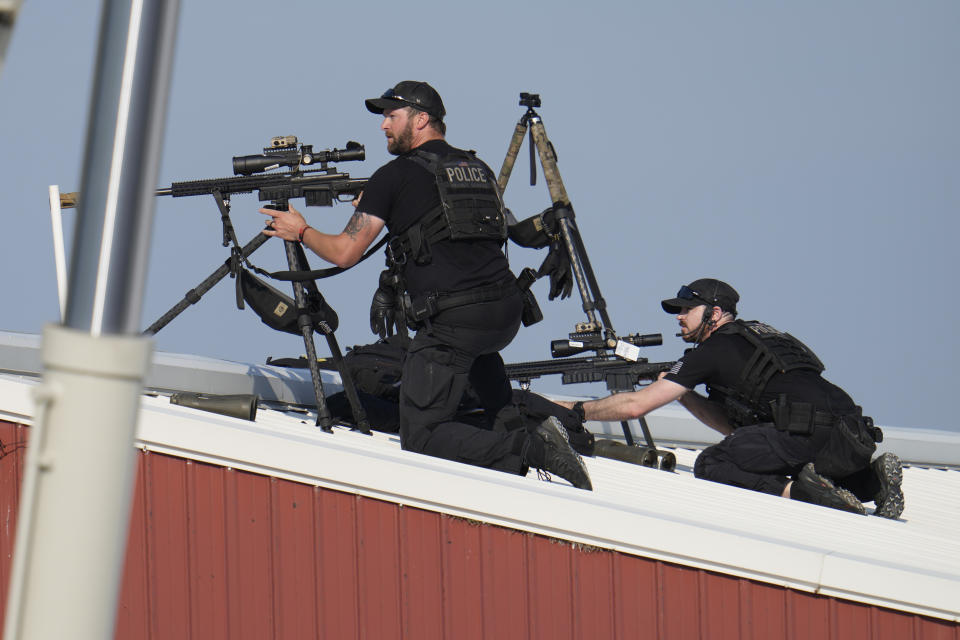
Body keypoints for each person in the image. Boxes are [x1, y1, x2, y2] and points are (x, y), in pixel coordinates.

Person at [259, 80, 591, 490]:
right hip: (503, 313)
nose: (382, 126)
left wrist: (301, 230)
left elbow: (345, 252)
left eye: (391, 116)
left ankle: (533, 450)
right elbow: (458, 223)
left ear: (420, 119)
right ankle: (530, 430)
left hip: (454, 321)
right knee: (487, 388)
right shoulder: (476, 168)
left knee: (422, 436)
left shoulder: (393, 176)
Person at [558, 278, 904, 517]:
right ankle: (871, 482)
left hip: (801, 433)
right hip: (851, 434)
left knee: (713, 464)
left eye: (687, 309)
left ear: (716, 313)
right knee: (804, 467)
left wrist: (576, 410)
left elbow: (636, 406)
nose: (679, 317)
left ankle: (804, 494)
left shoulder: (712, 350)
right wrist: (684, 394)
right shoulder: (763, 337)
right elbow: (733, 429)